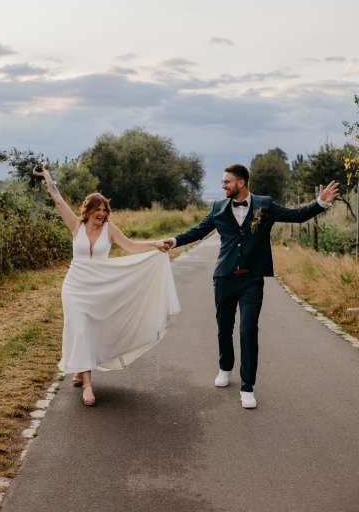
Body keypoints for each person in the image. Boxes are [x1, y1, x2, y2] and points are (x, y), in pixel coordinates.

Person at [163, 164, 339, 409]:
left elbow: (296, 215)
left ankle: (247, 387)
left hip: (252, 280)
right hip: (224, 278)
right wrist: (173, 241)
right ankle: (225, 367)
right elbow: (198, 232)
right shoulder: (217, 207)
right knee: (224, 329)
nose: (223, 185)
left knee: (248, 330)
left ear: (241, 183)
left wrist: (319, 203)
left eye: (227, 182)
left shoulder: (264, 205)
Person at [33, 166, 181, 406]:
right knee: (80, 328)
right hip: (74, 287)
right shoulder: (76, 226)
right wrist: (48, 178)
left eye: (104, 210)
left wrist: (154, 244)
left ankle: (80, 369)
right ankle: (88, 386)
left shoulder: (109, 230)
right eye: (98, 209)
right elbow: (58, 200)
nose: (101, 214)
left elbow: (130, 246)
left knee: (90, 330)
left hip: (100, 288)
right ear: (88, 210)